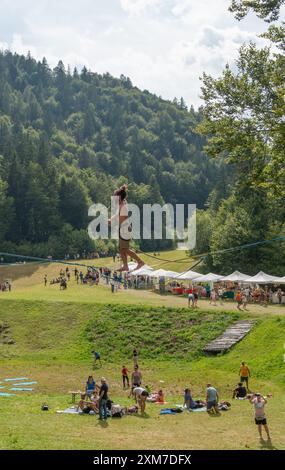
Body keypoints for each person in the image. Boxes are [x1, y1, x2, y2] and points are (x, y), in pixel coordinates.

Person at [108, 184, 145, 271]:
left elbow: (122, 219)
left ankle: (140, 262)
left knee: (125, 249)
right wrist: (110, 220)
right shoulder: (122, 204)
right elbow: (117, 216)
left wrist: (112, 221)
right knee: (121, 249)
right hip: (122, 228)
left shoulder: (123, 206)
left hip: (124, 229)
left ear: (119, 198)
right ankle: (125, 266)